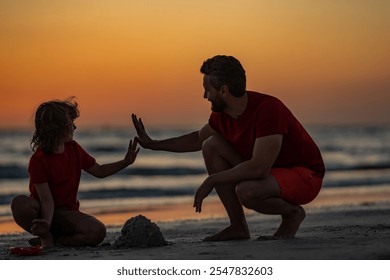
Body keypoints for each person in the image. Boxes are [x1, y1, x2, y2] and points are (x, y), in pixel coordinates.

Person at [132, 55, 325, 241]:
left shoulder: (268, 109)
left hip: (306, 176)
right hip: (270, 173)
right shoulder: (222, 116)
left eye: (207, 89)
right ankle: (238, 226)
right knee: (211, 145)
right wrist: (153, 144)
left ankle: (293, 214)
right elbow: (197, 139)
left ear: (223, 90)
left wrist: (211, 181)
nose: (204, 96)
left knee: (247, 191)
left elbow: (259, 167)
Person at [11, 97, 139, 247]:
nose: (75, 127)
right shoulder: (38, 160)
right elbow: (46, 200)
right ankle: (45, 235)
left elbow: (99, 170)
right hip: (42, 212)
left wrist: (125, 162)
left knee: (97, 231)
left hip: (67, 213)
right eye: (71, 123)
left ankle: (55, 241)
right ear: (59, 127)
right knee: (19, 203)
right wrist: (45, 223)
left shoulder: (74, 149)